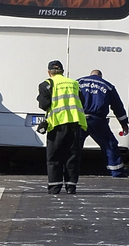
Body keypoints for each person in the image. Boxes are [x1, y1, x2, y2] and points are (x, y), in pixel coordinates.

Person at [36, 60, 87, 195]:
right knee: (72, 156)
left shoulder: (47, 84)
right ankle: (71, 186)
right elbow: (82, 101)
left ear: (49, 72)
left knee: (54, 157)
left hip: (57, 124)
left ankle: (54, 187)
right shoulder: (74, 83)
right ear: (63, 72)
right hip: (75, 123)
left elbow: (43, 105)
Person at [77, 70, 129, 178]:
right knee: (109, 145)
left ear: (90, 74)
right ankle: (117, 172)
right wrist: (124, 123)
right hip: (97, 120)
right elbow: (117, 106)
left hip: (79, 119)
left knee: (74, 146)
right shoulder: (108, 86)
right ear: (100, 76)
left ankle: (70, 171)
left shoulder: (78, 83)